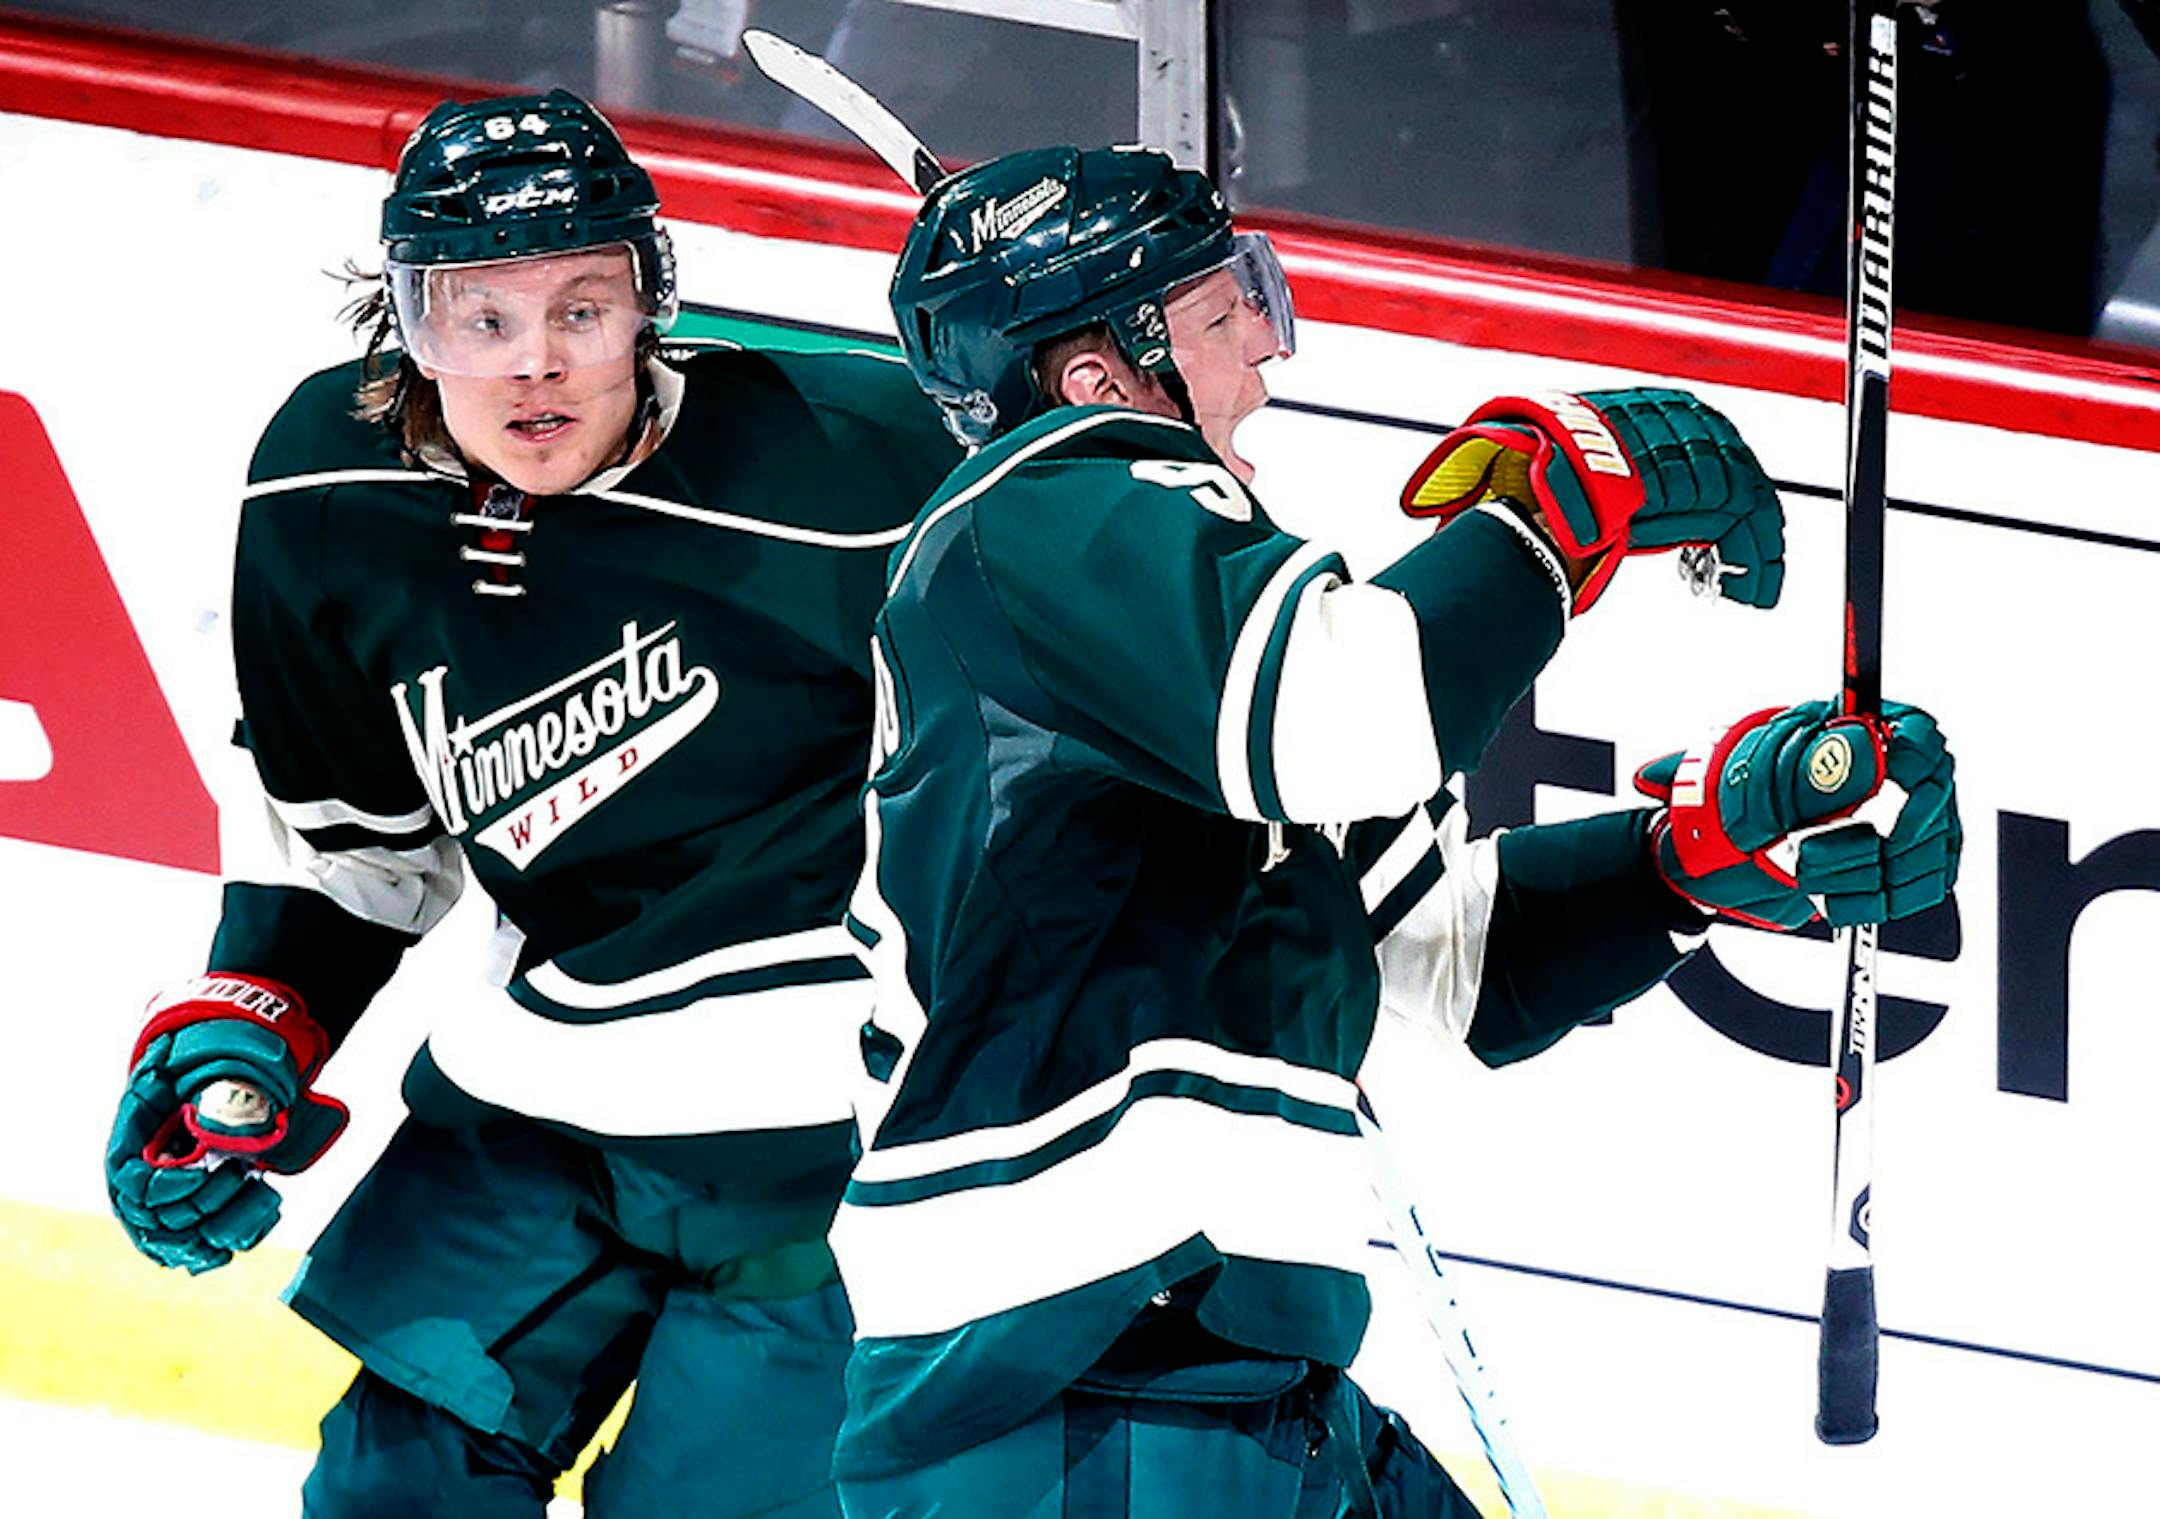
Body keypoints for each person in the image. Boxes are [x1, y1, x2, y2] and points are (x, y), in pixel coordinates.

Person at [827, 144, 1961, 1515]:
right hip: (1069, 1378)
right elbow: (1359, 706)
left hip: (1224, 1383)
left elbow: (1449, 968)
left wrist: (1692, 859)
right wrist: (1556, 505)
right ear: (1095, 377)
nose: (1263, 343)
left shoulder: (1171, 653)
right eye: (1216, 309)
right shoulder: (1038, 509)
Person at [102, 89, 958, 1516]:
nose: (535, 367)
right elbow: (356, 851)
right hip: (536, 1110)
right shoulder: (330, 485)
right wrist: (253, 1021)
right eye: (478, 318)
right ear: (405, 323)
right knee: (394, 1494)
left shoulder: (860, 465)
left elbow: (1107, 655)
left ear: (653, 304)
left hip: (835, 1152)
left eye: (581, 308)